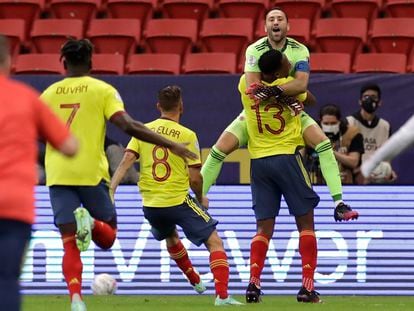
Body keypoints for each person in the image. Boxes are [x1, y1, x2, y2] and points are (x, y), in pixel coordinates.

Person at [40, 39, 197, 311]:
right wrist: (171, 144)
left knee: (69, 242)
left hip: (58, 173)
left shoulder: (48, 94)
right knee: (109, 236)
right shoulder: (103, 90)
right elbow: (128, 125)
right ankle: (90, 222)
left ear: (63, 63)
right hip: (90, 172)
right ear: (91, 63)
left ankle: (76, 299)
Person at [201, 6, 358, 222]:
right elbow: (253, 88)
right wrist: (286, 96)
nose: (276, 22)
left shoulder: (300, 49)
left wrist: (276, 91)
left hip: (291, 114)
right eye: (272, 19)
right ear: (265, 26)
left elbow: (301, 84)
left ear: (287, 26)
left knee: (323, 144)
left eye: (280, 19)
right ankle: (197, 198)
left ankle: (339, 203)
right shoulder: (254, 50)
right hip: (257, 113)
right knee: (219, 150)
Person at [110, 86, 243, 306]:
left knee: (170, 235)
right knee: (215, 242)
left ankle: (195, 280)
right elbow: (195, 178)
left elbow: (125, 162)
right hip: (178, 201)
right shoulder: (187, 135)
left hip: (151, 206)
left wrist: (112, 189)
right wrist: (200, 198)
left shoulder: (143, 130)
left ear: (158, 106)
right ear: (181, 107)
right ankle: (222, 295)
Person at [0, 35, 78, 311]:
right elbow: (69, 146)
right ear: (9, 61)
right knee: (6, 279)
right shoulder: (26, 98)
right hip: (13, 206)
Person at [243, 49, 322, 304]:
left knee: (263, 228)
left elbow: (250, 81)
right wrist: (288, 87)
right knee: (306, 224)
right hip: (287, 157)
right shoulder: (288, 87)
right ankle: (307, 288)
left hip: (258, 162)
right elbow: (310, 98)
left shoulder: (246, 85)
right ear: (279, 69)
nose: (289, 62)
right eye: (286, 61)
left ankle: (253, 284)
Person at [346, 83, 397, 183]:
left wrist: (388, 171)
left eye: (373, 97)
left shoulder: (385, 126)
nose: (370, 100)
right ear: (360, 101)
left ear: (380, 102)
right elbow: (344, 153)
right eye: (366, 97)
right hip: (355, 174)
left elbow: (386, 156)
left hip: (377, 174)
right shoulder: (349, 122)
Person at [306, 104, 364, 191]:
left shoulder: (352, 134)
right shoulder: (310, 134)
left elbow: (353, 162)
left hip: (344, 184)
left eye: (333, 123)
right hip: (316, 184)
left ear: (340, 121)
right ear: (320, 122)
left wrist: (329, 151)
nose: (329, 126)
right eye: (326, 123)